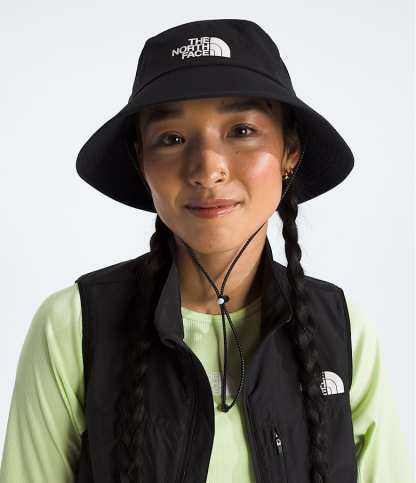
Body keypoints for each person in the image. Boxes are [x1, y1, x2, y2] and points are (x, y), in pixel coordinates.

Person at [0, 18, 412, 483]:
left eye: (242, 131)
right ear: (141, 161)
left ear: (290, 150)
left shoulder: (342, 330)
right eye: (172, 139)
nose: (207, 168)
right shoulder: (74, 327)